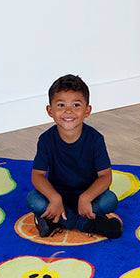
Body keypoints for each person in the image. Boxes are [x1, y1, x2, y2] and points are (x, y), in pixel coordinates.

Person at [27, 74, 123, 239]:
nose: (68, 111)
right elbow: (37, 175)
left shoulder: (95, 139)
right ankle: (86, 223)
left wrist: (86, 197)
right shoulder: (45, 140)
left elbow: (105, 176)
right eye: (61, 105)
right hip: (58, 195)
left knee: (110, 200)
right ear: (50, 110)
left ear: (87, 111)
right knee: (33, 200)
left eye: (76, 105)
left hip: (89, 195)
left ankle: (55, 221)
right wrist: (54, 197)